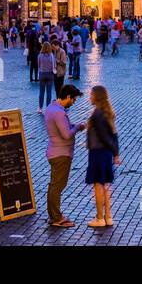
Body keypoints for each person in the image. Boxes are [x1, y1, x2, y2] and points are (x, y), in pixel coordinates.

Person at [44, 84, 84, 228]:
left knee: (54, 185)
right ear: (68, 97)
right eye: (73, 100)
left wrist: (72, 125)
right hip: (61, 154)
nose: (73, 102)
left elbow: (61, 128)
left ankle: (53, 215)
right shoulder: (59, 113)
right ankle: (56, 218)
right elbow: (66, 134)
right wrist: (78, 127)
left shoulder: (51, 108)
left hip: (55, 152)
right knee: (57, 185)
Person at [82, 85, 119, 229]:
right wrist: (115, 153)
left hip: (98, 152)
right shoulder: (108, 113)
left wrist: (115, 152)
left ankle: (99, 218)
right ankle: (108, 217)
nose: (89, 97)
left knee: (98, 185)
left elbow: (104, 137)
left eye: (91, 95)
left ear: (96, 96)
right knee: (106, 185)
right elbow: (114, 135)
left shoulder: (97, 114)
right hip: (106, 153)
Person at [36, 42, 57, 112]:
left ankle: (40, 108)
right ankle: (48, 108)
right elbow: (54, 65)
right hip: (50, 74)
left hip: (42, 74)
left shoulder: (40, 55)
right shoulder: (51, 55)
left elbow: (38, 65)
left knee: (41, 92)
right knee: (49, 92)